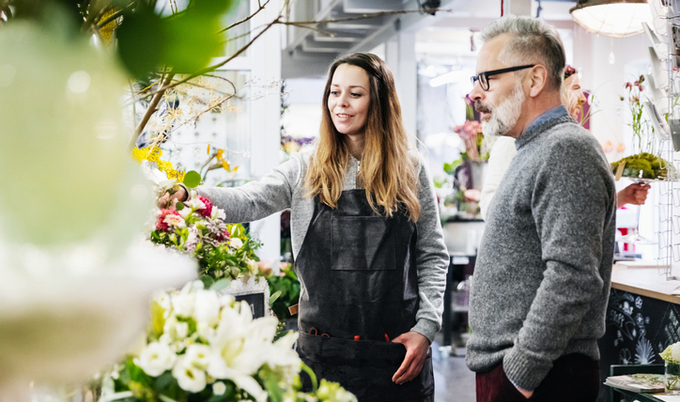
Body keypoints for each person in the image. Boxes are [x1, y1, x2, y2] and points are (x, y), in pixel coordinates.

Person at [159, 53, 449, 402]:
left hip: (397, 357)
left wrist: (426, 329)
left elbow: (432, 254)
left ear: (379, 101)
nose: (340, 104)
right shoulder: (305, 168)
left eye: (355, 94)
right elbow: (250, 200)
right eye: (334, 92)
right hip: (321, 357)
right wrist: (192, 195)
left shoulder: (410, 169)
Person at [465, 16, 616, 402]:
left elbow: (573, 275)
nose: (477, 95)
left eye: (488, 79)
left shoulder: (566, 149)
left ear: (534, 80)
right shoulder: (533, 149)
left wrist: (521, 373)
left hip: (542, 376)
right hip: (525, 372)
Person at [479, 65, 650, 219]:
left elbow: (581, 208)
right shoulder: (512, 141)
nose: (583, 99)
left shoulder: (570, 144)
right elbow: (488, 208)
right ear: (555, 93)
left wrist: (623, 198)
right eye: (575, 88)